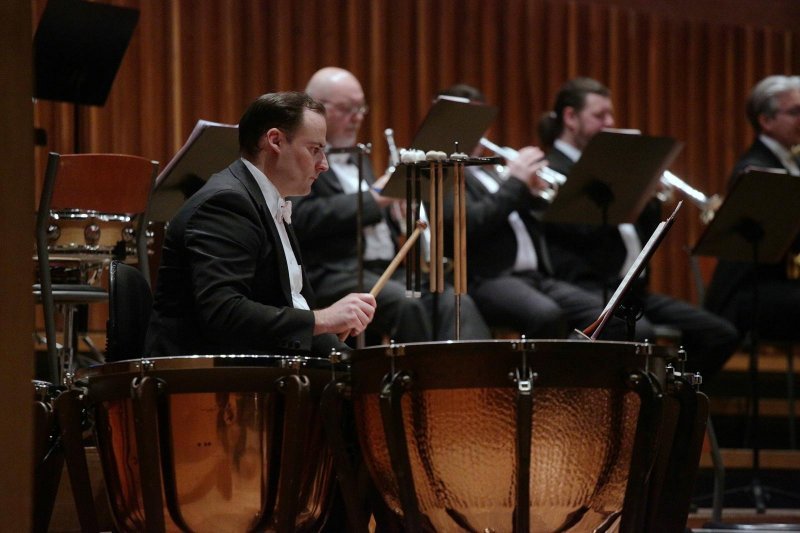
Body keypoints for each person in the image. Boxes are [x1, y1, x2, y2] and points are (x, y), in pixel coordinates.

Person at [145, 92, 376, 358]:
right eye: (315, 149)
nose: (323, 165)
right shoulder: (227, 203)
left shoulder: (265, 199)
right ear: (275, 141)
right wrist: (322, 320)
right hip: (208, 379)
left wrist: (341, 349)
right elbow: (223, 312)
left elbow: (287, 306)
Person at [538, 77, 738, 379]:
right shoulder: (550, 169)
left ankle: (671, 402)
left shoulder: (609, 170)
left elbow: (641, 236)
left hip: (631, 290)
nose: (610, 122)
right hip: (585, 287)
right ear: (570, 118)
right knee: (639, 332)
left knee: (719, 333)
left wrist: (647, 197)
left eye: (611, 114)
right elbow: (580, 232)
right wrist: (630, 189)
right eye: (599, 115)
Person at [292, 67, 490, 343]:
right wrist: (376, 199)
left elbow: (377, 213)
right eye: (347, 108)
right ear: (315, 107)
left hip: (386, 268)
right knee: (405, 306)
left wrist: (398, 214)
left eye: (361, 108)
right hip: (336, 272)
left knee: (451, 298)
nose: (357, 117)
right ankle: (416, 382)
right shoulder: (301, 157)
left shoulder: (359, 157)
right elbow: (303, 217)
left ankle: (463, 379)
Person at [438, 84, 626, 339]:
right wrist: (516, 184)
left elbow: (538, 218)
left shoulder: (493, 170)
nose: (479, 129)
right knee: (546, 315)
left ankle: (574, 374)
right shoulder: (444, 173)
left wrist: (533, 193)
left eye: (482, 120)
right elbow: (467, 223)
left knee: (608, 317)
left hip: (536, 276)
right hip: (487, 279)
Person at [705, 75, 800, 340]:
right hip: (749, 291)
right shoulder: (756, 169)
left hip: (781, 284)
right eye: (795, 112)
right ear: (766, 121)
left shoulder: (791, 161)